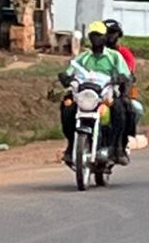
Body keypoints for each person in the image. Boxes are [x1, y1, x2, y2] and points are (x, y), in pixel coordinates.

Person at [59, 21, 132, 167]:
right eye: (93, 35)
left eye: (99, 35)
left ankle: (116, 148)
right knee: (66, 108)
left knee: (119, 109)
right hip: (85, 94)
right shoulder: (83, 57)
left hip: (105, 94)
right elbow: (70, 71)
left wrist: (121, 77)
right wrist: (65, 77)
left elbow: (126, 73)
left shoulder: (114, 56)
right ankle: (71, 145)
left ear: (105, 37)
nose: (95, 39)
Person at [103, 19, 140, 157]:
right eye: (105, 33)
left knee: (125, 108)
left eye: (112, 33)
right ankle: (72, 145)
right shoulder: (92, 54)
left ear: (119, 35)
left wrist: (124, 88)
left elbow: (128, 74)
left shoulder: (123, 54)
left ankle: (120, 144)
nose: (108, 36)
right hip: (94, 92)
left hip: (117, 91)